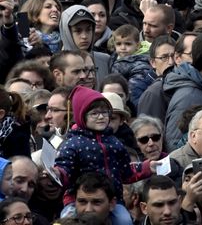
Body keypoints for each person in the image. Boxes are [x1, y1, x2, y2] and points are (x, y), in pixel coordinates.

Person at [54, 87, 154, 222]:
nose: (101, 117)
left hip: (112, 200)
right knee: (67, 220)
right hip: (76, 200)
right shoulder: (73, 143)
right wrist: (58, 173)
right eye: (94, 113)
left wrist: (147, 167)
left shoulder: (114, 142)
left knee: (124, 220)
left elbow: (126, 172)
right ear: (81, 116)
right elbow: (65, 168)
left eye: (105, 112)